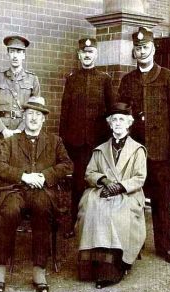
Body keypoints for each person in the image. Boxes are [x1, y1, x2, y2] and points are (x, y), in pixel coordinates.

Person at [0, 96, 73, 292]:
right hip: (15, 189)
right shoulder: (11, 141)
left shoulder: (55, 141)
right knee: (9, 211)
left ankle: (39, 269)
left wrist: (45, 176)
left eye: (38, 115)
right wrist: (23, 176)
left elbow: (68, 165)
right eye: (30, 114)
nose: (34, 118)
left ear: (44, 119)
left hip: (43, 191)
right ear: (23, 117)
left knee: (42, 209)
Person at [117, 27, 170, 264]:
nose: (142, 51)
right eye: (138, 48)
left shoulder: (168, 77)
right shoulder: (127, 80)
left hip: (160, 152)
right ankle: (130, 247)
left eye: (145, 47)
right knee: (131, 199)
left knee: (161, 202)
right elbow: (121, 115)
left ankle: (166, 247)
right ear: (134, 52)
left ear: (153, 49)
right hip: (135, 152)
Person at [77, 103, 147, 289]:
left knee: (117, 212)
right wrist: (104, 181)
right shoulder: (100, 149)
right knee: (91, 206)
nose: (117, 123)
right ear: (109, 124)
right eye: (114, 119)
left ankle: (115, 266)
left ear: (129, 123)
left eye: (121, 120)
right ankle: (92, 264)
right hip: (102, 190)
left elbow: (139, 178)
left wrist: (119, 187)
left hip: (127, 193)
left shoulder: (138, 150)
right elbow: (89, 173)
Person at [59, 37, 114, 235]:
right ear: (79, 55)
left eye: (90, 52)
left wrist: (109, 141)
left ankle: (96, 227)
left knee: (98, 182)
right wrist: (63, 141)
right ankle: (75, 224)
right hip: (75, 143)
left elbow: (111, 111)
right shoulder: (72, 79)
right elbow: (65, 112)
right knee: (78, 184)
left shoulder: (104, 79)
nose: (87, 55)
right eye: (84, 52)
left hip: (97, 143)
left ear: (95, 54)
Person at [0, 35, 41, 178]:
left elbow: (35, 110)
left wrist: (20, 130)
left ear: (24, 55)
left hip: (23, 135)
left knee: (21, 179)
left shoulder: (32, 79)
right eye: (12, 51)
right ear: (8, 54)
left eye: (19, 51)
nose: (15, 55)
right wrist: (3, 131)